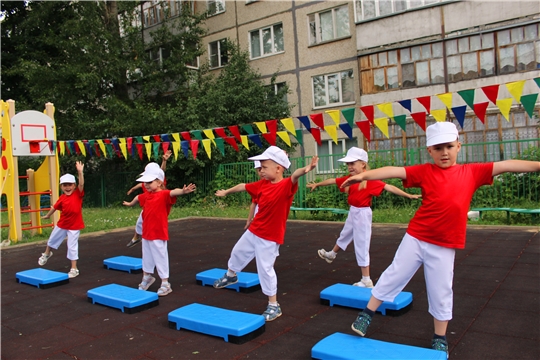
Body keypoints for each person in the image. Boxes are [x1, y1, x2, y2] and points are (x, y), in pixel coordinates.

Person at [339, 122, 540, 357]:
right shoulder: (425, 171)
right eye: (438, 148)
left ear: (458, 146)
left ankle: (439, 336)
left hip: (445, 244)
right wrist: (362, 175)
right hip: (416, 237)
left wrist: (537, 166)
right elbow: (394, 171)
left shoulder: (472, 172)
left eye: (449, 146)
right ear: (430, 151)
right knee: (395, 273)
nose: (444, 152)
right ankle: (367, 314)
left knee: (441, 289)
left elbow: (507, 165)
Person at [213, 146, 318, 321]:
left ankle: (273, 305)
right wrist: (227, 191)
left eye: (264, 167)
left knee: (265, 269)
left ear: (278, 168)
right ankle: (231, 276)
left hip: (270, 236)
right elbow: (243, 186)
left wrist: (307, 169)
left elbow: (295, 175)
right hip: (255, 229)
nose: (260, 170)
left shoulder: (285, 186)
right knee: (237, 251)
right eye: (260, 167)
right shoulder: (262, 184)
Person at [307, 147, 420, 288]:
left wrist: (408, 195)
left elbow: (388, 187)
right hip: (353, 211)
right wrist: (317, 184)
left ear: (363, 165)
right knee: (345, 235)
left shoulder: (370, 180)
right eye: (348, 164)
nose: (349, 167)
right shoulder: (350, 179)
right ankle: (332, 254)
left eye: (352, 163)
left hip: (362, 213)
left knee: (361, 244)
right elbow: (332, 180)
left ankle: (366, 279)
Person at [122, 164, 196, 296]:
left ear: (159, 182)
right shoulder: (146, 195)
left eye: (150, 182)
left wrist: (183, 191)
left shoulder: (164, 194)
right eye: (146, 182)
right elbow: (137, 198)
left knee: (160, 257)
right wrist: (130, 203)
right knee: (147, 258)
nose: (147, 185)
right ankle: (147, 277)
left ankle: (165, 283)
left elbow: (174, 192)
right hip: (147, 234)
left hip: (158, 233)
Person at [38, 161, 85, 279]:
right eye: (65, 185)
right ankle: (47, 253)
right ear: (61, 187)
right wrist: (48, 216)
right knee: (52, 239)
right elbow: (54, 207)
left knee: (72, 246)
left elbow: (82, 184)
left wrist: (80, 172)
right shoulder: (62, 198)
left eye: (70, 185)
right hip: (63, 224)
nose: (67, 187)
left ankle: (74, 268)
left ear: (74, 186)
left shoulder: (77, 194)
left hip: (75, 225)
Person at [126, 150, 172, 247]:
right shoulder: (146, 182)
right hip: (148, 205)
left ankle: (141, 238)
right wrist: (133, 189)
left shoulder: (157, 182)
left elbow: (161, 172)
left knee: (147, 223)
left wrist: (164, 161)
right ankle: (138, 238)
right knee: (140, 222)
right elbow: (140, 185)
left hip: (157, 205)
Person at [244, 160, 262, 230]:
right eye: (259, 170)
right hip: (259, 218)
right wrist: (249, 220)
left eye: (263, 168)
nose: (261, 172)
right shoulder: (257, 186)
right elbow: (253, 204)